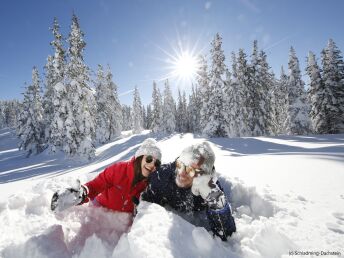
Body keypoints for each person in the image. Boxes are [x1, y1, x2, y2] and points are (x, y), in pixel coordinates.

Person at [141, 141, 236, 241]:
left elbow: (226, 235)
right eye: (180, 165)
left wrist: (215, 201)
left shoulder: (210, 188)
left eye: (191, 170)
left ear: (203, 175)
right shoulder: (162, 176)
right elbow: (145, 204)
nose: (181, 173)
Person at [51, 138, 162, 214]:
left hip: (122, 226)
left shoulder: (151, 183)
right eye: (149, 159)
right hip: (101, 213)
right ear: (139, 158)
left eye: (156, 163)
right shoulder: (118, 170)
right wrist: (82, 193)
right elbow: (96, 185)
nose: (152, 164)